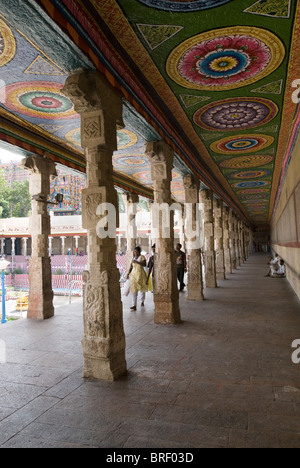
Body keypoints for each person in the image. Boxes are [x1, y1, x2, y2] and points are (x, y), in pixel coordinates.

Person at [127, 246, 148, 310]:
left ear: (139, 252)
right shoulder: (132, 258)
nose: (135, 252)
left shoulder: (142, 257)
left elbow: (144, 264)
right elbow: (131, 267)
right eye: (134, 251)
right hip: (133, 275)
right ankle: (134, 305)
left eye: (136, 251)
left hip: (140, 275)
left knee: (142, 289)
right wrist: (128, 273)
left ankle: (142, 301)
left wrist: (137, 262)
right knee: (134, 290)